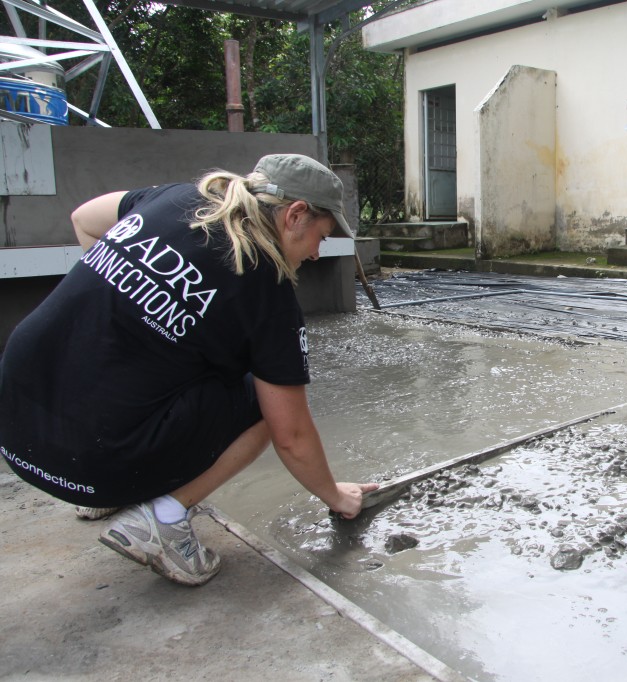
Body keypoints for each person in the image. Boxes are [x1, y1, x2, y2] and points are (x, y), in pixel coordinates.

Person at [0, 153, 378, 586]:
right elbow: (291, 435)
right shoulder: (265, 289)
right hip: (88, 458)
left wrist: (126, 305)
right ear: (295, 215)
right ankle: (162, 519)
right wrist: (335, 495)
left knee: (167, 371)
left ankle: (110, 490)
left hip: (15, 427)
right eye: (321, 237)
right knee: (264, 403)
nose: (315, 254)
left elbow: (84, 219)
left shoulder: (175, 199)